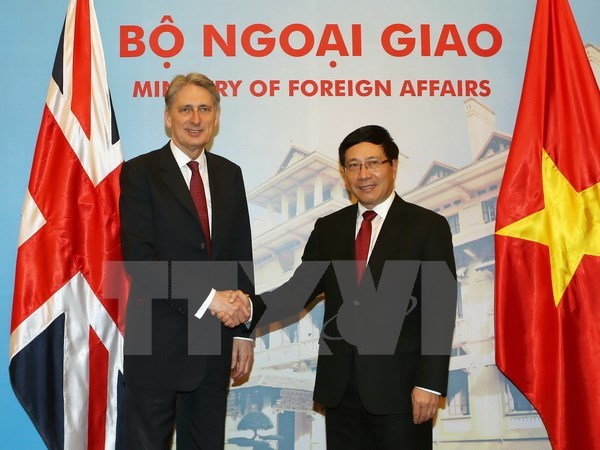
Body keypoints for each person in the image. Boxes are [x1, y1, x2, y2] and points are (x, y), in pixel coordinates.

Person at [222, 125, 456, 449]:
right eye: (353, 165)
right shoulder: (328, 228)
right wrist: (248, 307)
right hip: (340, 393)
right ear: (344, 173)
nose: (364, 174)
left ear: (393, 165)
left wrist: (430, 384)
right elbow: (297, 292)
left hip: (401, 394)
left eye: (373, 162)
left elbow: (439, 309)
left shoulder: (428, 226)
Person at [119, 72, 263, 449]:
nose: (195, 119)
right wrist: (210, 299)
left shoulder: (230, 174)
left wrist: (244, 328)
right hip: (156, 345)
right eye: (185, 109)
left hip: (213, 347)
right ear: (169, 117)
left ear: (216, 118)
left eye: (204, 109)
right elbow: (140, 260)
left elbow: (239, 254)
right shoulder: (140, 173)